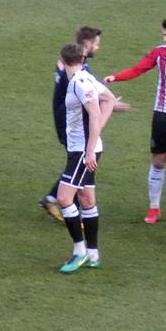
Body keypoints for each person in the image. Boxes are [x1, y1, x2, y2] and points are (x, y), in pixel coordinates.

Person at [104, 17, 166, 224]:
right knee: (158, 161)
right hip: (162, 114)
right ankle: (154, 207)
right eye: (163, 35)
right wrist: (115, 77)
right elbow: (137, 69)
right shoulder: (160, 52)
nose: (165, 38)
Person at [39, 26, 129, 221]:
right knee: (81, 161)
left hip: (66, 119)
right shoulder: (79, 69)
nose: (98, 47)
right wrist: (111, 104)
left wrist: (108, 100)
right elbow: (89, 92)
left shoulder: (68, 62)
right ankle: (58, 199)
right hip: (71, 123)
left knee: (81, 162)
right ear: (87, 45)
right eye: (96, 43)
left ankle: (69, 200)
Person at [55, 43, 116, 274]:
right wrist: (96, 136)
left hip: (83, 150)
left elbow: (94, 112)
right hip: (83, 148)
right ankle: (93, 255)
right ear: (83, 58)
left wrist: (90, 149)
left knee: (63, 197)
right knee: (87, 199)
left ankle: (79, 252)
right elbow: (109, 100)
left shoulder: (80, 83)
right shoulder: (86, 78)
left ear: (62, 62)